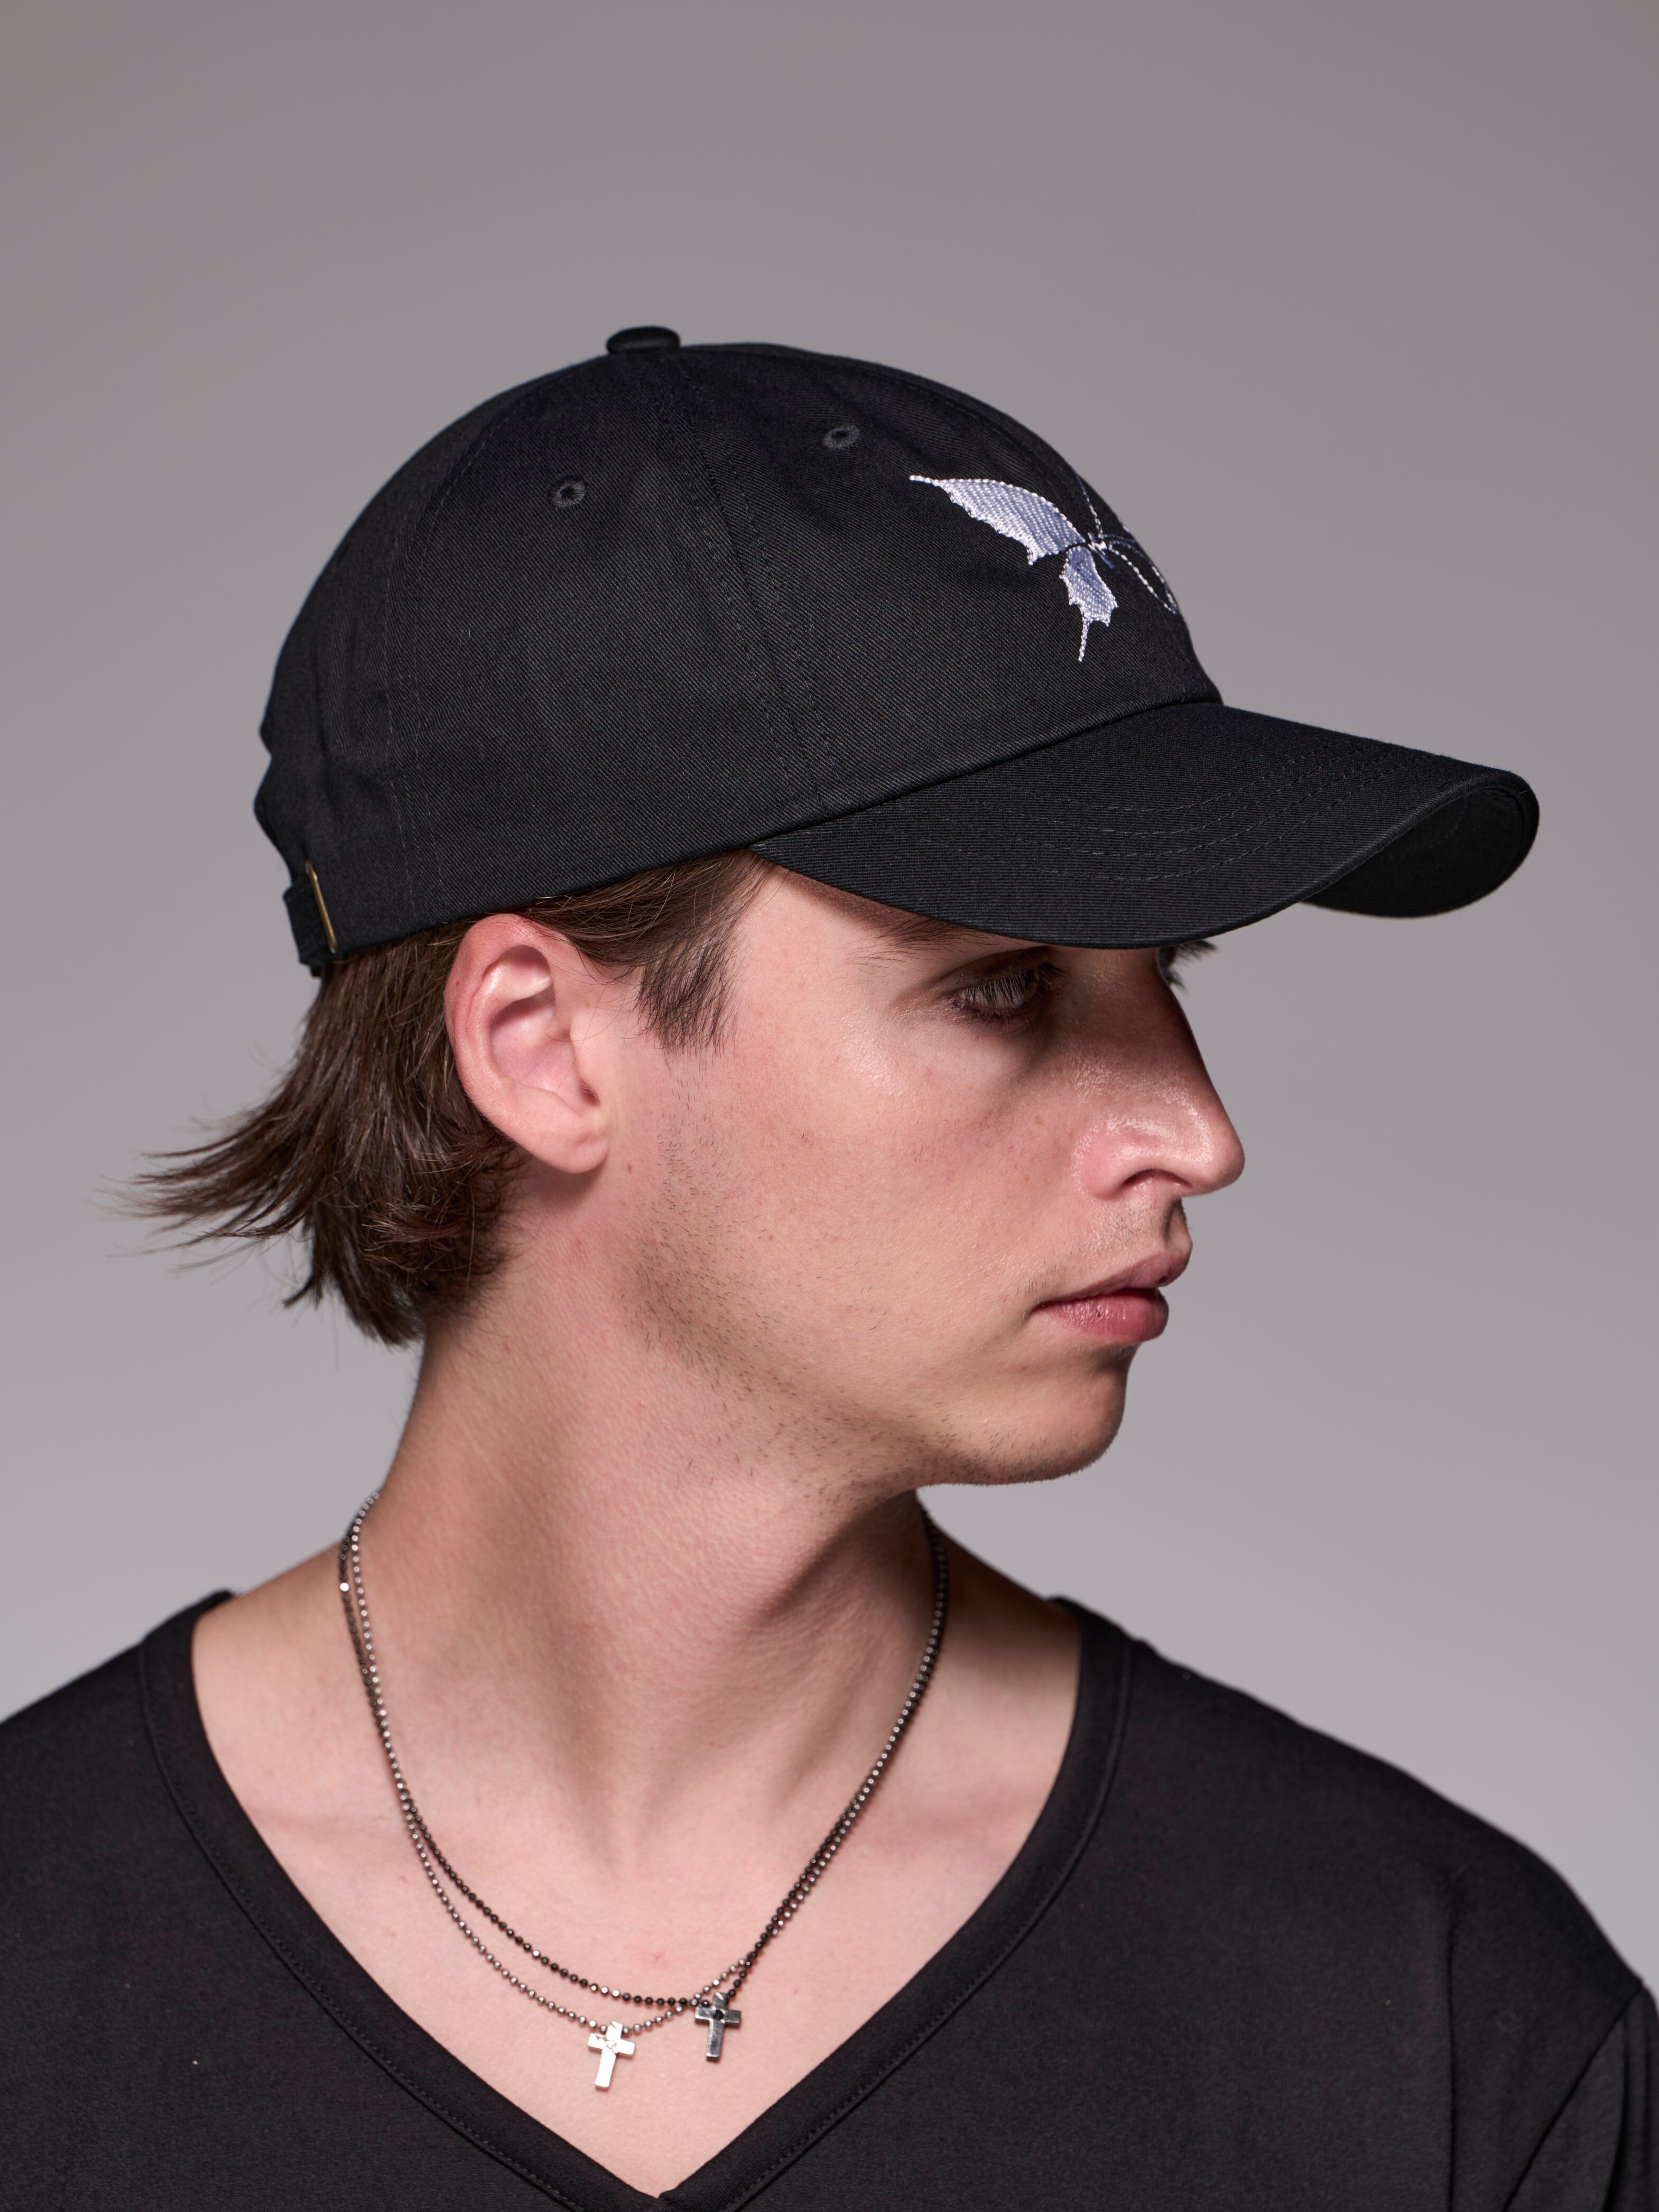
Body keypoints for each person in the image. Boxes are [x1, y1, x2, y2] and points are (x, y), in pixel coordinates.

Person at [2, 327, 1649, 2211]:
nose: (1196, 1133)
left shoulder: (1430, 2018)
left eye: (1166, 978)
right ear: (542, 1048)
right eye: (1002, 988)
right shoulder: (39, 1969)